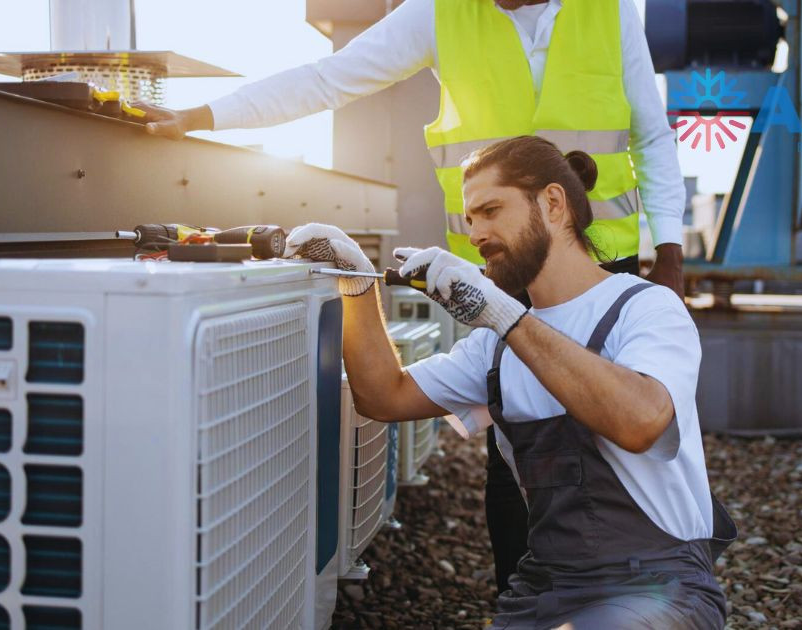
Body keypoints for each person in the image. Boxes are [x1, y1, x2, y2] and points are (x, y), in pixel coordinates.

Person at [138, 0, 691, 594]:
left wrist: (671, 257)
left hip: (600, 266)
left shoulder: (608, 12)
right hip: (505, 276)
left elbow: (651, 135)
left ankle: (642, 580)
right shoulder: (439, 13)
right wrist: (202, 114)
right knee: (516, 449)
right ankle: (531, 595)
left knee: (614, 433)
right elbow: (330, 79)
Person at [283, 136, 734, 628]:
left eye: (491, 210)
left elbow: (641, 420)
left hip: (660, 587)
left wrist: (501, 314)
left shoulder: (644, 307)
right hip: (545, 587)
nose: (476, 233)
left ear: (554, 204)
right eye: (469, 219)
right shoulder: (496, 346)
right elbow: (383, 395)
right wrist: (356, 286)